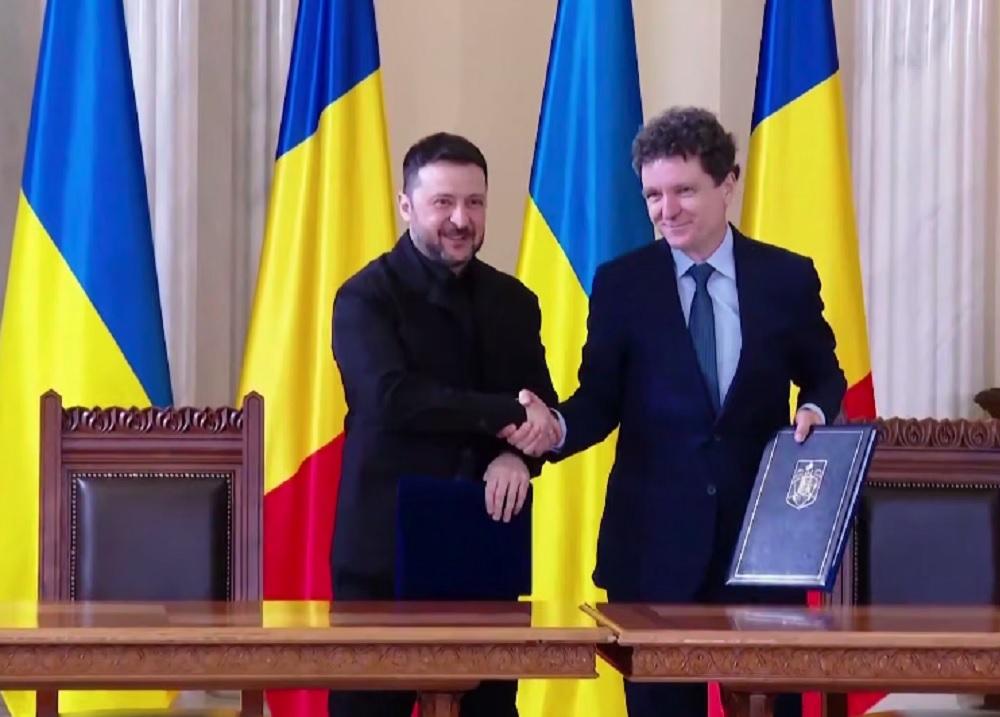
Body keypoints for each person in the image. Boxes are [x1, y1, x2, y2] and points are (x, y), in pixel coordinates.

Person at [510, 107, 847, 717]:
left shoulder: (785, 278)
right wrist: (555, 427)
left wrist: (818, 409)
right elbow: (599, 399)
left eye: (684, 191)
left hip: (762, 548)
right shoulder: (622, 285)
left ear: (727, 183)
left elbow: (824, 373)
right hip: (653, 551)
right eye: (653, 195)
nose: (667, 210)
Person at [329, 132, 560, 717]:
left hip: (484, 547)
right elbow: (390, 399)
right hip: (382, 554)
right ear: (406, 206)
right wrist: (505, 416)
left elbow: (542, 409)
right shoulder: (363, 298)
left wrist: (516, 456)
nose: (461, 219)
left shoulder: (515, 301)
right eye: (443, 203)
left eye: (474, 202)